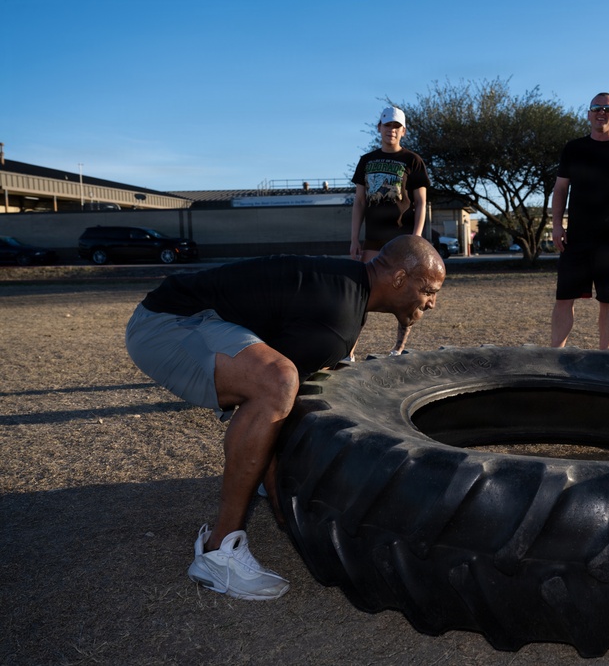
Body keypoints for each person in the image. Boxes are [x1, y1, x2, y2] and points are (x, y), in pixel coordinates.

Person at [124, 235, 445, 600]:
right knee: (278, 382)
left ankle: (254, 485)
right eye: (428, 290)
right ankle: (218, 553)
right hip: (166, 326)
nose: (432, 303)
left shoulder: (346, 289)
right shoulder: (338, 318)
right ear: (400, 279)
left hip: (187, 318)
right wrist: (282, 504)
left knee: (285, 384)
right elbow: (273, 401)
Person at [550, 92, 609, 350]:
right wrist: (557, 225)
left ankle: (604, 356)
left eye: (607, 108)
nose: (601, 112)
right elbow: (560, 190)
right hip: (576, 236)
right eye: (595, 108)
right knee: (563, 298)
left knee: (608, 299)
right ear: (589, 114)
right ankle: (555, 353)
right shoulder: (574, 149)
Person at [348, 106, 431, 360]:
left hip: (402, 238)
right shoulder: (367, 161)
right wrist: (354, 239)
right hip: (373, 237)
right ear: (379, 129)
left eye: (396, 127)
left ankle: (398, 349)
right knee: (362, 292)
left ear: (403, 131)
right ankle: (349, 350)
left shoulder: (412, 161)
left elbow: (421, 203)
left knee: (407, 294)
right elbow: (360, 202)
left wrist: (415, 238)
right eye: (387, 126)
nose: (391, 131)